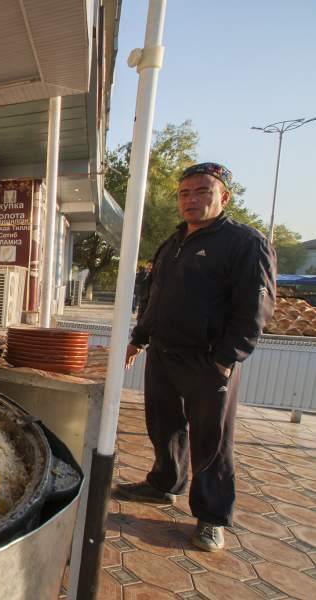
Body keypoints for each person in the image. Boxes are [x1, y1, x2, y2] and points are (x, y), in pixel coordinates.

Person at [118, 162, 276, 552]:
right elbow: (155, 298)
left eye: (203, 191)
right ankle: (164, 484)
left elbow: (255, 308)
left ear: (224, 197)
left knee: (212, 440)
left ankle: (212, 516)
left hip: (208, 360)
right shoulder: (173, 243)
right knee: (163, 425)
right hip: (163, 353)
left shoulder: (245, 242)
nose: (191, 200)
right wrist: (138, 339)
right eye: (184, 193)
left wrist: (226, 358)